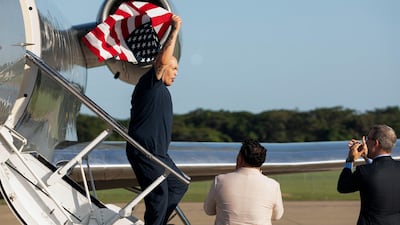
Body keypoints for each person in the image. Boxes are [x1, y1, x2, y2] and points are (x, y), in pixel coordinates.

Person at [125, 14, 188, 225]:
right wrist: (174, 31)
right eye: (174, 68)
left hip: (160, 154)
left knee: (179, 184)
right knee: (159, 195)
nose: (177, 73)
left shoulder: (163, 90)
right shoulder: (150, 82)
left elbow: (163, 62)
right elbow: (161, 61)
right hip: (144, 151)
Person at [203, 139, 284, 225]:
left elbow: (209, 210)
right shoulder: (273, 185)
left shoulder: (220, 180)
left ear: (240, 159)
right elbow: (277, 216)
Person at [337, 124, 400, 225]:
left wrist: (350, 160)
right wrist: (366, 158)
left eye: (367, 139)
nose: (365, 142)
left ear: (375, 143)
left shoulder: (364, 171)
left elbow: (343, 186)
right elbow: (379, 171)